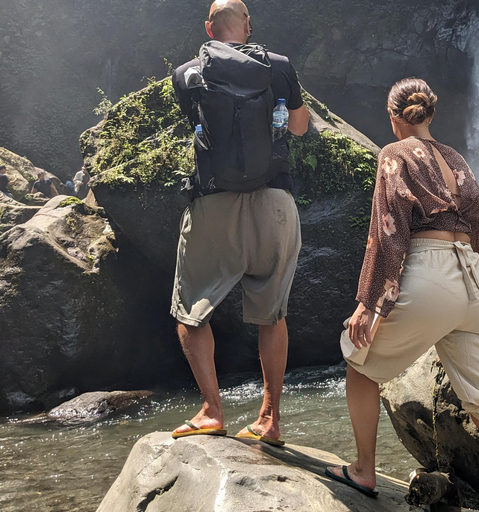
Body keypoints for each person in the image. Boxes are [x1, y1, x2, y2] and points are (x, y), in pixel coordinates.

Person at [325, 78, 479, 511]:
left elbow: (389, 232)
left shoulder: (394, 154)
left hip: (430, 269)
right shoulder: (457, 159)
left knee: (358, 359)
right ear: (431, 114)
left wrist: (369, 302)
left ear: (394, 117)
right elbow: (477, 217)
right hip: (473, 283)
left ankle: (364, 470)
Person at [168, 0, 310, 442]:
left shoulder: (187, 73)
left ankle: (212, 410)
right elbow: (301, 128)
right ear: (247, 26)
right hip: (274, 200)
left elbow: (196, 128)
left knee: (190, 310)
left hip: (214, 202)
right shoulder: (281, 66)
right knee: (273, 315)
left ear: (209, 27)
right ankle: (269, 419)